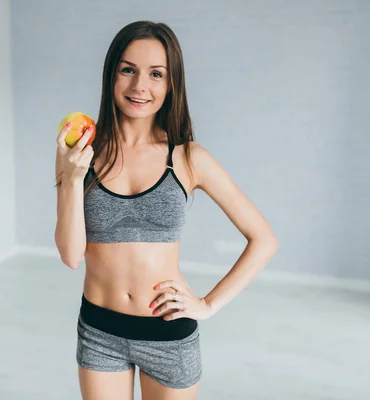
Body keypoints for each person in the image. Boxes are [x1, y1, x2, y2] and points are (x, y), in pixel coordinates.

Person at [54, 20, 278, 400]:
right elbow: (71, 255)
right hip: (99, 331)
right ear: (112, 75)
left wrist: (207, 304)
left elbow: (264, 240)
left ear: (170, 84)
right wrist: (73, 178)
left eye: (156, 74)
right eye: (128, 70)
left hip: (167, 334)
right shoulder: (79, 153)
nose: (140, 85)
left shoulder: (188, 157)